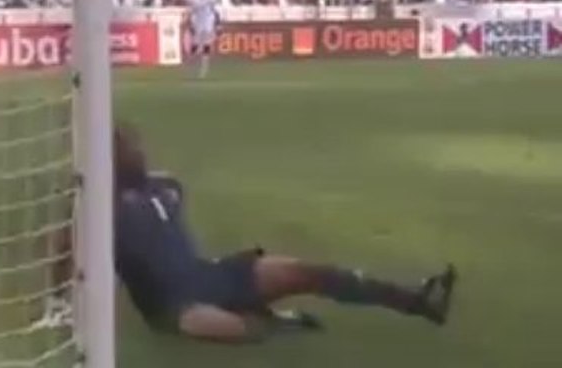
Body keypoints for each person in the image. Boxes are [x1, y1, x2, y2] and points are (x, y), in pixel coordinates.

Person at [37, 123, 457, 342]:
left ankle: (416, 300)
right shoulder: (98, 207)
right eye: (129, 148)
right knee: (243, 334)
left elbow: (165, 214)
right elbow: (64, 251)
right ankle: (278, 321)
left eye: (136, 146)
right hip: (175, 309)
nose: (139, 152)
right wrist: (58, 302)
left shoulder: (165, 187)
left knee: (307, 271)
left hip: (214, 275)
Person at [184, 0, 220, 79]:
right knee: (196, 46)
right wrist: (191, 25)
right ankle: (192, 65)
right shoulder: (198, 1)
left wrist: (217, 24)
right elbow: (191, 12)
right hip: (200, 26)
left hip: (206, 26)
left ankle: (203, 69)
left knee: (205, 46)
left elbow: (215, 12)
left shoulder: (206, 0)